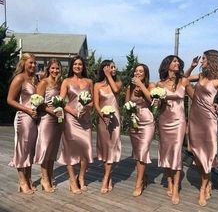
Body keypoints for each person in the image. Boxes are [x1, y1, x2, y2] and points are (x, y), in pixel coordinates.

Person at [187, 49, 218, 206]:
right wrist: (191, 66)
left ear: (211, 60)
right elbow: (183, 79)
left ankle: (202, 188)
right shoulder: (200, 76)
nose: (201, 61)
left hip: (209, 120)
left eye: (203, 58)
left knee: (208, 154)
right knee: (197, 155)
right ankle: (208, 181)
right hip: (195, 119)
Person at [156, 55, 194, 204]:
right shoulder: (159, 84)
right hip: (164, 120)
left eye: (178, 61)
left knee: (177, 152)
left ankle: (176, 188)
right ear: (167, 65)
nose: (177, 63)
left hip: (179, 121)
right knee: (165, 152)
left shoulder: (184, 81)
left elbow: (196, 98)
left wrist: (211, 104)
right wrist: (157, 101)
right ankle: (169, 182)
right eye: (174, 61)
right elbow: (157, 106)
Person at [57, 55, 93, 194]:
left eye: (80, 64)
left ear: (83, 67)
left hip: (85, 119)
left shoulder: (89, 81)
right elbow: (60, 101)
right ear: (72, 66)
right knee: (70, 150)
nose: (78, 66)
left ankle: (82, 177)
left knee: (86, 148)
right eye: (75, 64)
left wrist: (87, 108)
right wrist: (72, 111)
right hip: (71, 119)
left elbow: (92, 101)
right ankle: (72, 180)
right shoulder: (66, 81)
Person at [7, 53, 38, 194]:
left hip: (35, 119)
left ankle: (29, 179)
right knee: (22, 149)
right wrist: (27, 110)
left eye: (34, 63)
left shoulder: (35, 79)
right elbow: (10, 100)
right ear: (24, 63)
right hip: (23, 118)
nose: (33, 65)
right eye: (30, 62)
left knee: (31, 149)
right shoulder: (19, 78)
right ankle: (22, 182)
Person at [125, 63, 155, 197]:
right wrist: (130, 111)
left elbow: (152, 100)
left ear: (145, 74)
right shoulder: (129, 87)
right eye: (136, 71)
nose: (138, 73)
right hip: (134, 122)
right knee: (138, 153)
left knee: (143, 151)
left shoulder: (151, 85)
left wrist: (141, 86)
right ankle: (144, 177)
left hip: (147, 121)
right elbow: (126, 105)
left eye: (141, 71)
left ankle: (138, 184)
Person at [34, 59, 63, 192]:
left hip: (58, 120)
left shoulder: (59, 83)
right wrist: (52, 112)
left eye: (57, 68)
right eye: (53, 68)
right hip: (46, 119)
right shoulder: (43, 82)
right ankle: (44, 178)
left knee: (52, 150)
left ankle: (50, 177)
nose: (55, 71)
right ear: (48, 68)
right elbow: (39, 103)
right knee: (45, 149)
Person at [94, 60, 122, 194]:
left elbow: (116, 90)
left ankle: (105, 178)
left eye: (114, 66)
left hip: (115, 120)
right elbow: (96, 104)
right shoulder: (97, 85)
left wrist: (109, 75)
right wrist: (103, 116)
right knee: (106, 149)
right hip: (102, 120)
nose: (114, 68)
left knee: (112, 147)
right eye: (111, 67)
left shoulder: (118, 83)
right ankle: (109, 176)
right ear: (104, 69)